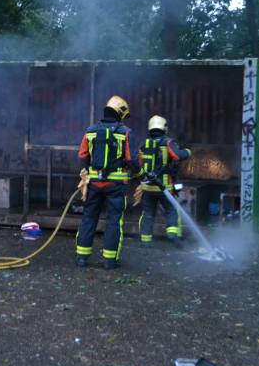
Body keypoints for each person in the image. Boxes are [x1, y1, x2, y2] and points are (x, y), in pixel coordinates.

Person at [75, 95, 139, 269]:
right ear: (120, 113)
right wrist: (139, 172)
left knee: (89, 218)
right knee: (113, 221)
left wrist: (88, 172)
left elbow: (82, 155)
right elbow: (132, 159)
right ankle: (110, 261)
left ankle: (82, 257)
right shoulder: (125, 132)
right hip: (115, 186)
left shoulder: (90, 131)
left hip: (94, 184)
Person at [137, 115, 191, 246]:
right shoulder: (167, 142)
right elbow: (177, 156)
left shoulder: (144, 144)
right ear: (164, 127)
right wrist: (188, 152)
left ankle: (145, 241)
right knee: (172, 209)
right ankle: (173, 234)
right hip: (164, 186)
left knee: (148, 213)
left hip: (148, 187)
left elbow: (138, 163)